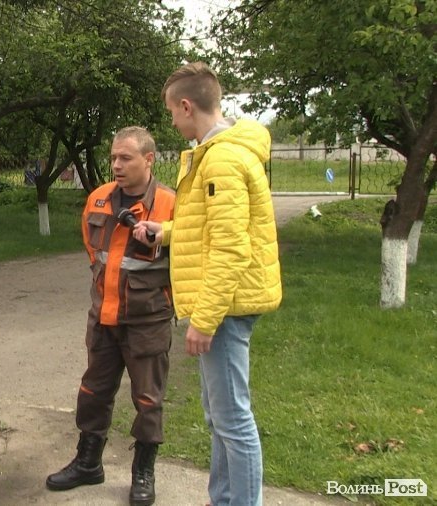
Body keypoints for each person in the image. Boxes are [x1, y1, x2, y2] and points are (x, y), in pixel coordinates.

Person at [134, 62, 282, 506]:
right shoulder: (218, 153)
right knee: (219, 416)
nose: (172, 122)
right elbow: (209, 227)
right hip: (227, 304)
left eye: (171, 113)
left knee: (232, 420)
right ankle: (222, 498)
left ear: (186, 106)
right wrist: (165, 232)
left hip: (226, 308)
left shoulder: (221, 160)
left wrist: (205, 319)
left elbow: (231, 248)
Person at [46, 126, 175, 506]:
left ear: (148, 160)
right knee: (93, 391)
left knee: (148, 400)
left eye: (125, 158)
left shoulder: (170, 205)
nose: (116, 165)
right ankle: (88, 463)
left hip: (148, 320)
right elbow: (94, 251)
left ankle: (143, 473)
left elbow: (187, 257)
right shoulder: (99, 199)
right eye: (113, 157)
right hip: (103, 316)